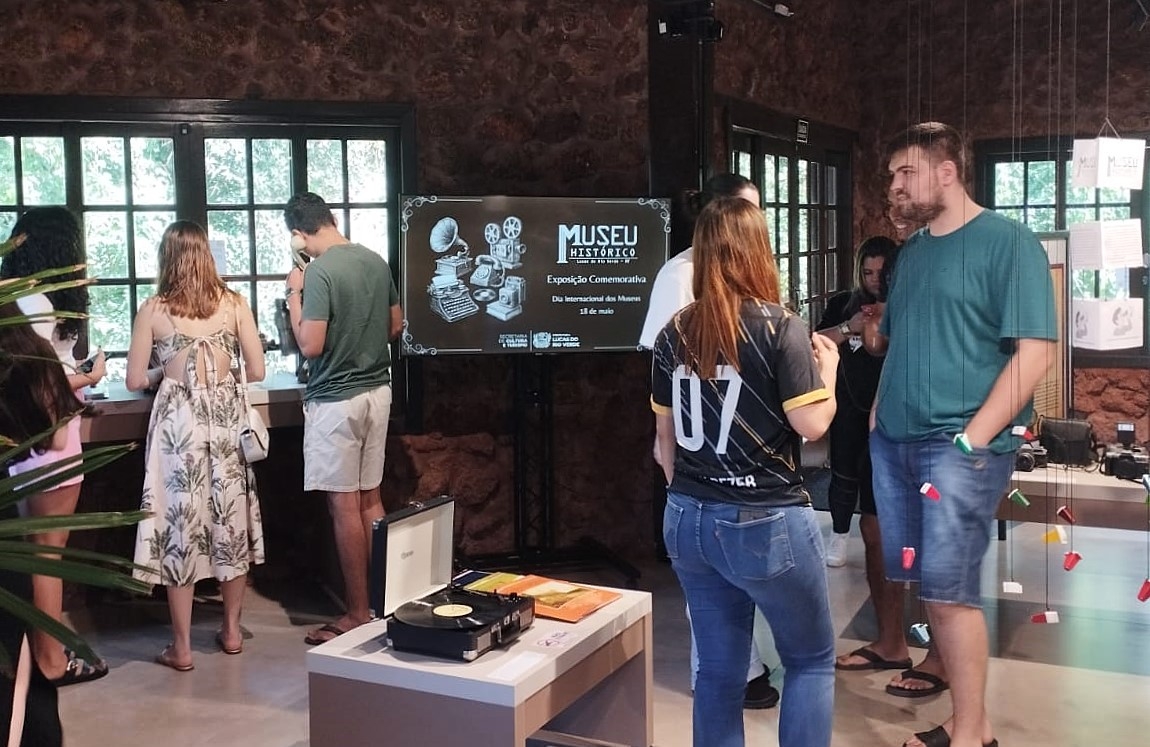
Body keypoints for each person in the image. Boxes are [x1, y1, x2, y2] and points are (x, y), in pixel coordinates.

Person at [870, 122, 1056, 747]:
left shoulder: (1010, 243)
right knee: (928, 584)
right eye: (893, 175)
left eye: (907, 172)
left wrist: (973, 438)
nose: (895, 185)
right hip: (896, 440)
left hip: (958, 445)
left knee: (949, 592)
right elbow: (898, 340)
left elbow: (1035, 352)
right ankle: (966, 722)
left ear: (947, 172)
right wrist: (877, 412)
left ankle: (972, 733)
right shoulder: (915, 252)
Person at [651, 196, 839, 747]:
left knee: (717, 671)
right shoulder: (780, 328)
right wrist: (828, 373)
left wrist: (692, 497)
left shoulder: (672, 333)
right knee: (810, 660)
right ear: (759, 251)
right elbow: (811, 425)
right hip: (766, 517)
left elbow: (664, 446)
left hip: (687, 517)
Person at [639, 173, 779, 709]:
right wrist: (670, 447)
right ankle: (724, 671)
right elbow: (665, 368)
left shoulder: (741, 275)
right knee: (709, 567)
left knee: (734, 561)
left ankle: (739, 663)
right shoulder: (680, 275)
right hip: (700, 444)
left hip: (741, 447)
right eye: (748, 211)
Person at [127, 220, 267, 671]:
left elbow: (134, 379)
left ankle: (182, 646)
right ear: (206, 255)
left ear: (166, 259)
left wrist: (163, 371)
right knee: (230, 522)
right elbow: (257, 370)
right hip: (225, 426)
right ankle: (231, 630)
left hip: (178, 429)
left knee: (180, 527)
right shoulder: (234, 305)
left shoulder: (154, 310)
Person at [282, 192, 403, 646]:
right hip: (378, 392)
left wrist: (294, 296)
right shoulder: (373, 260)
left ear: (299, 233)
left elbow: (310, 345)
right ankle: (379, 604)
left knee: (343, 505)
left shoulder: (319, 272)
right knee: (371, 499)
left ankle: (355, 612)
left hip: (336, 400)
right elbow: (395, 326)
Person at [0, 207, 109, 686]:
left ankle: (38, 652)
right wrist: (90, 376)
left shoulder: (13, 297)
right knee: (48, 554)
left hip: (24, 441)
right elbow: (43, 383)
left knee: (33, 550)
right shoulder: (40, 304)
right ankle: (51, 659)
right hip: (53, 438)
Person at [0, 300, 81, 746]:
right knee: (46, 556)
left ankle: (49, 657)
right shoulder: (28, 349)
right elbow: (55, 433)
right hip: (40, 476)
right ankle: (50, 657)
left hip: (21, 483)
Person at [816, 235, 899, 569]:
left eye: (882, 272)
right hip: (847, 404)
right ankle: (838, 534)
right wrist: (849, 327)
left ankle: (879, 540)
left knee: (880, 475)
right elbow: (815, 341)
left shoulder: (905, 304)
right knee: (843, 472)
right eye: (868, 273)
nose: (874, 280)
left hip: (890, 405)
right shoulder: (842, 303)